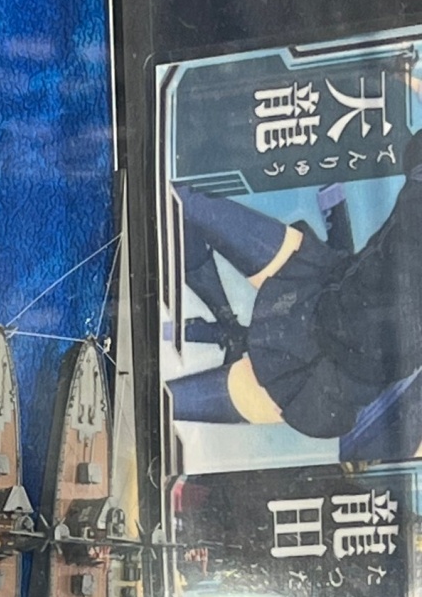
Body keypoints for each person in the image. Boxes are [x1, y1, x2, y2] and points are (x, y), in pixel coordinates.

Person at [170, 135, 422, 445]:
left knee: (159, 401)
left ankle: (226, 323)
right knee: (183, 200)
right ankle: (225, 319)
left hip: (317, 379)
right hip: (318, 284)